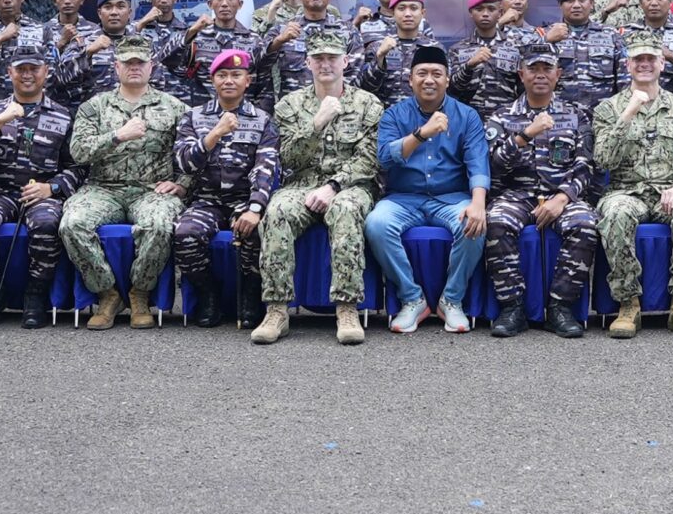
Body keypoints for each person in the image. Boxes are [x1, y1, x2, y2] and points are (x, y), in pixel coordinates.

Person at [256, 28, 384, 346]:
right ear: (307, 63)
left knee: (346, 210)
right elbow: (288, 158)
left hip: (350, 186)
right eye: (318, 58)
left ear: (345, 62)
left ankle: (347, 308)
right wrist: (316, 122)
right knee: (278, 211)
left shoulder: (368, 104)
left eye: (332, 58)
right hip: (301, 184)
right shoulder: (289, 105)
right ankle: (276, 310)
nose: (325, 64)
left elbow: (369, 161)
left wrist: (333, 186)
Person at [62, 36, 190, 329]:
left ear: (151, 67)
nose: (134, 67)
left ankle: (139, 293)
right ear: (116, 67)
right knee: (72, 223)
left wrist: (183, 183)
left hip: (151, 189)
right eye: (128, 62)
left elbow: (191, 152)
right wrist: (117, 136)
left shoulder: (174, 107)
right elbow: (78, 152)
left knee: (159, 224)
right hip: (103, 188)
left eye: (140, 62)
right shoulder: (94, 106)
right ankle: (107, 293)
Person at [479, 40, 598, 340]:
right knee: (496, 221)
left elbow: (586, 165)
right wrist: (523, 137)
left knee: (584, 224)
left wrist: (563, 198)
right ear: (521, 75)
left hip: (562, 195)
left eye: (547, 68)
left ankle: (560, 308)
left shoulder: (577, 115)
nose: (540, 74)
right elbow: (491, 167)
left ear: (558, 74)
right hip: (516, 195)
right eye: (533, 69)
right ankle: (513, 308)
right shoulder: (501, 116)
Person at [593, 35, 673, 339]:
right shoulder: (608, 109)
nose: (644, 64)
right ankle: (628, 305)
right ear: (627, 65)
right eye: (638, 59)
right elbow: (603, 160)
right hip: (625, 191)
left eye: (650, 59)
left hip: (669, 191)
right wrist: (628, 113)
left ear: (661, 64)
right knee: (616, 213)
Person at [368, 43, 490, 334]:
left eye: (437, 73)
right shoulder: (394, 115)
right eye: (422, 73)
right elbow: (384, 158)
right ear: (410, 79)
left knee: (474, 223)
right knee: (376, 224)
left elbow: (477, 163)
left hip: (451, 198)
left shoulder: (466, 116)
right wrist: (422, 134)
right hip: (404, 198)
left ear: (447, 79)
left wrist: (478, 203)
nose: (429, 80)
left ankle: (452, 300)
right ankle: (412, 298)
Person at [0, 46, 76, 329]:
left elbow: (79, 167)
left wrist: (52, 188)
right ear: (9, 73)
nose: (27, 75)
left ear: (46, 72)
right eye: (21, 69)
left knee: (47, 223)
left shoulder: (64, 116)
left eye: (34, 69)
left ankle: (35, 294)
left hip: (41, 193)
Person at [170, 48, 279, 330]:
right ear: (213, 80)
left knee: (255, 230)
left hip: (244, 198)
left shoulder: (262, 120)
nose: (229, 80)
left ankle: (250, 293)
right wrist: (214, 133)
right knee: (184, 234)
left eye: (236, 75)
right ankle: (208, 293)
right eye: (222, 75)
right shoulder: (193, 117)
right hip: (206, 200)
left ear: (247, 81)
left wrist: (255, 207)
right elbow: (184, 163)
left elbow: (266, 167)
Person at [258, 0, 350, 99]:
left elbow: (354, 74)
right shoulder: (281, 30)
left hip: (336, 105)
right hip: (292, 108)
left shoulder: (347, 31)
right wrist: (278, 42)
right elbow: (259, 66)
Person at [541, 0, 622, 109]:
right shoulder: (547, 34)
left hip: (602, 115)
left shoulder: (610, 34)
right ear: (560, 5)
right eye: (570, 0)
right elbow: (529, 70)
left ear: (592, 4)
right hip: (559, 115)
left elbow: (625, 77)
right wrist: (546, 41)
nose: (576, 5)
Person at [173, 0, 261, 97]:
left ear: (240, 4)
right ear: (210, 4)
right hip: (203, 107)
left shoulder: (254, 40)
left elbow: (263, 81)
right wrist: (192, 30)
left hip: (241, 107)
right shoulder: (195, 37)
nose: (224, 4)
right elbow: (169, 62)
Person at [447, 0, 520, 112]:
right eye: (479, 9)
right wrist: (469, 66)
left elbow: (523, 88)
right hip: (470, 118)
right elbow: (452, 90)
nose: (485, 14)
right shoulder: (457, 49)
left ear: (500, 13)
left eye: (491, 9)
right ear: (471, 13)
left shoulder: (516, 47)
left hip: (505, 117)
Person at [361, 0, 438, 102]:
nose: (408, 14)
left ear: (422, 13)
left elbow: (443, 89)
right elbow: (366, 88)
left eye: (413, 8)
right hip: (385, 112)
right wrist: (380, 57)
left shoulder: (435, 49)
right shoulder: (377, 47)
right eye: (401, 8)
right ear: (393, 13)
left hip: (422, 112)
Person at [132, 0, 195, 100]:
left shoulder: (186, 32)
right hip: (145, 100)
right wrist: (142, 23)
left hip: (178, 99)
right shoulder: (136, 28)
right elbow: (121, 51)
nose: (164, 0)